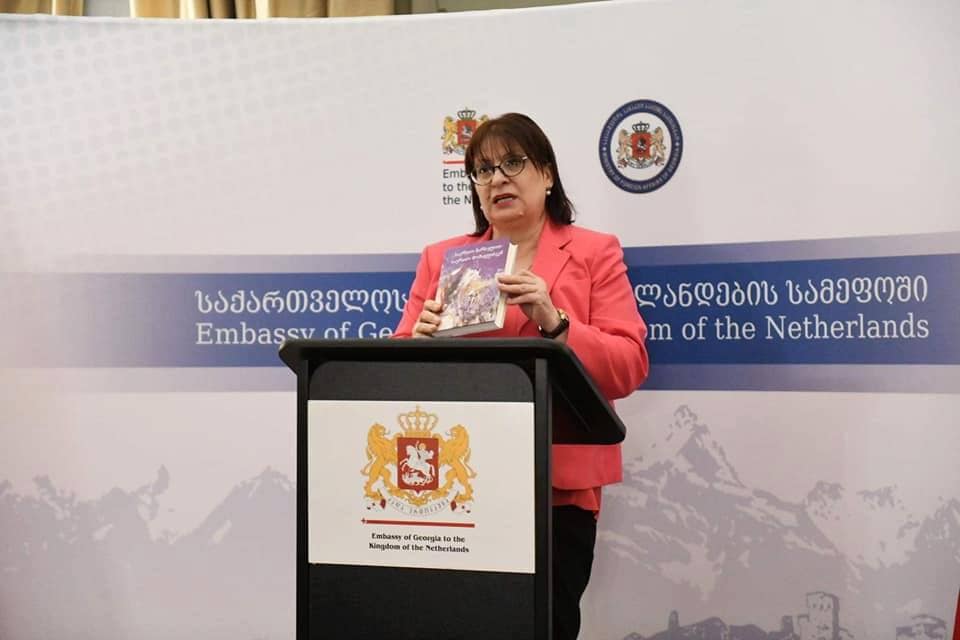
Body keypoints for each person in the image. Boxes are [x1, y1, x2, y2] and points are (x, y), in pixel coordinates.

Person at [394, 112, 649, 640]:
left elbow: (629, 366)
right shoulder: (441, 259)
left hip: (555, 492)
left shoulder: (594, 252)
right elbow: (388, 379)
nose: (497, 179)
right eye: (484, 170)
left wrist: (556, 323)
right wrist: (417, 344)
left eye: (513, 163)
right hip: (455, 492)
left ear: (547, 174)